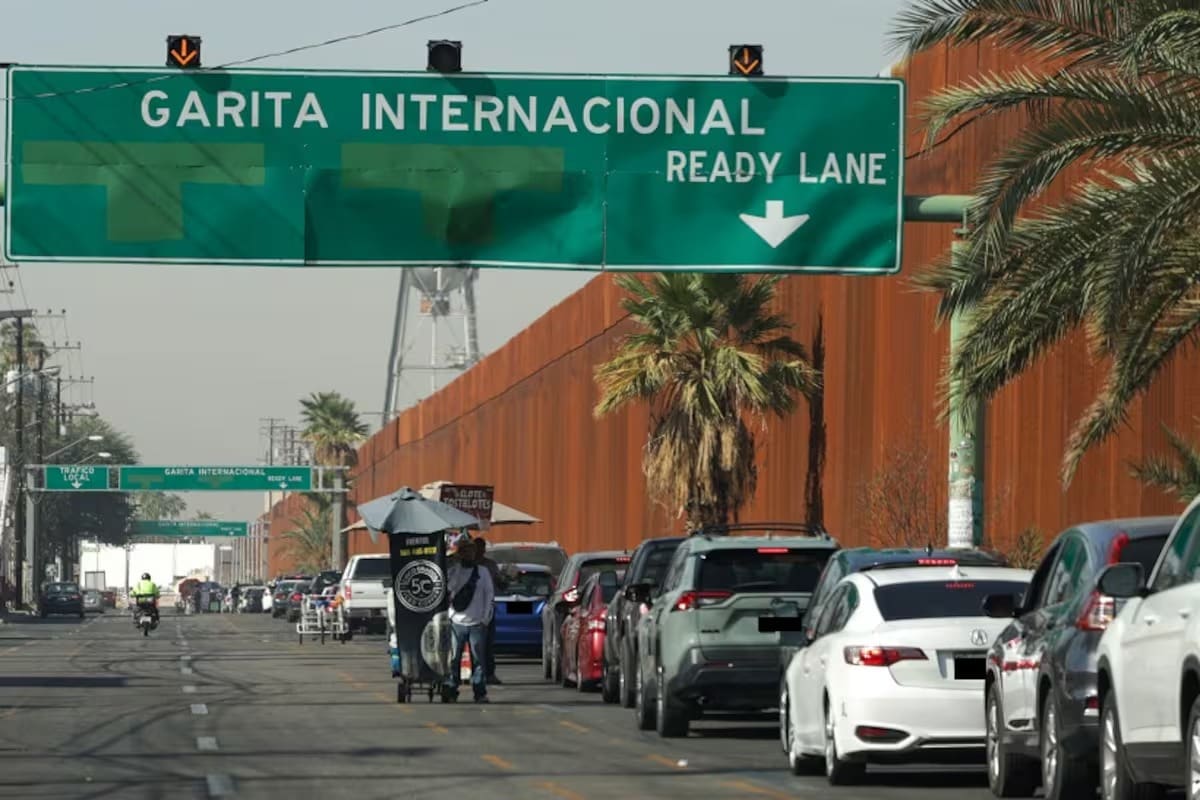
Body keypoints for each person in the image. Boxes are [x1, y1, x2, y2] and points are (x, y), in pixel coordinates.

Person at [445, 532, 495, 703]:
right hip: (457, 622)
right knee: (454, 658)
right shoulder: (455, 571)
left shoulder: (483, 572)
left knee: (478, 659)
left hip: (477, 623)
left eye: (471, 552)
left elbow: (489, 594)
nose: (468, 555)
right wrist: (457, 570)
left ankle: (479, 692)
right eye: (464, 551)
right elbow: (450, 589)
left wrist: (485, 617)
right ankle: (452, 689)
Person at [474, 537, 506, 685]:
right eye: (477, 547)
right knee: (472, 644)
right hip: (468, 610)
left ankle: (489, 673)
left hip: (487, 609)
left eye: (482, 547)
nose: (480, 550)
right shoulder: (464, 566)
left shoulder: (490, 565)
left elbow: (501, 585)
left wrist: (507, 578)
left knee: (487, 643)